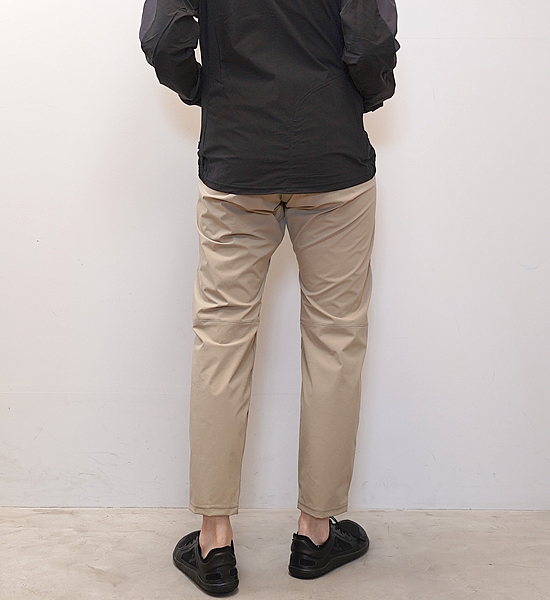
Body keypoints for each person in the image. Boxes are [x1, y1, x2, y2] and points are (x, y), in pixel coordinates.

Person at [140, 0, 398, 594]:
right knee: (336, 340)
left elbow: (162, 35)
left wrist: (207, 88)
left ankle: (214, 542)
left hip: (237, 153)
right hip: (332, 154)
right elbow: (370, 40)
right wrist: (357, 96)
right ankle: (315, 534)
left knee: (221, 341)